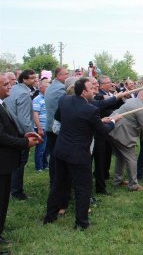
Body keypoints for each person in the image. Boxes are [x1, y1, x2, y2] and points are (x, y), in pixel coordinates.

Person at [43, 77, 117, 230]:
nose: (94, 90)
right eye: (91, 88)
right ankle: (82, 223)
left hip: (61, 151)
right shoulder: (91, 110)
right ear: (84, 92)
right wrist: (113, 121)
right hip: (78, 155)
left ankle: (49, 217)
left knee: (58, 185)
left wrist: (94, 121)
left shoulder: (64, 100)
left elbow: (59, 118)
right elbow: (102, 132)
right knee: (83, 188)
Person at [0, 73, 41, 252]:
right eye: (5, 84)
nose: (10, 86)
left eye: (10, 83)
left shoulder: (3, 103)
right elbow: (1, 137)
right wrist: (24, 142)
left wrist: (22, 135)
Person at [108, 90, 143, 191]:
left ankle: (118, 180)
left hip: (112, 130)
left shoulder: (131, 100)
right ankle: (133, 185)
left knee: (120, 157)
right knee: (132, 158)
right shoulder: (142, 108)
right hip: (121, 133)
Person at [4, 69, 37, 200]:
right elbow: (24, 118)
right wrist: (30, 134)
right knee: (19, 163)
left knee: (12, 161)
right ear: (24, 79)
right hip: (20, 132)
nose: (35, 80)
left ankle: (11, 188)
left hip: (10, 129)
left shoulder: (15, 89)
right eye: (32, 78)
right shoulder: (23, 94)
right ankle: (17, 191)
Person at [44, 67, 69, 187]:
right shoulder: (60, 89)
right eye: (65, 75)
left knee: (53, 155)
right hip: (56, 127)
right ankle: (56, 182)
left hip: (49, 126)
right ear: (58, 76)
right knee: (57, 157)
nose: (67, 77)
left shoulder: (50, 86)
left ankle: (53, 181)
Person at [32, 78, 50, 171]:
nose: (48, 88)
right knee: (40, 148)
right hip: (41, 127)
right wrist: (39, 128)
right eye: (46, 86)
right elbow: (35, 115)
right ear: (40, 88)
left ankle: (45, 164)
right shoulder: (37, 99)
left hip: (47, 127)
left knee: (47, 148)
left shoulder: (48, 98)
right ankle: (39, 167)